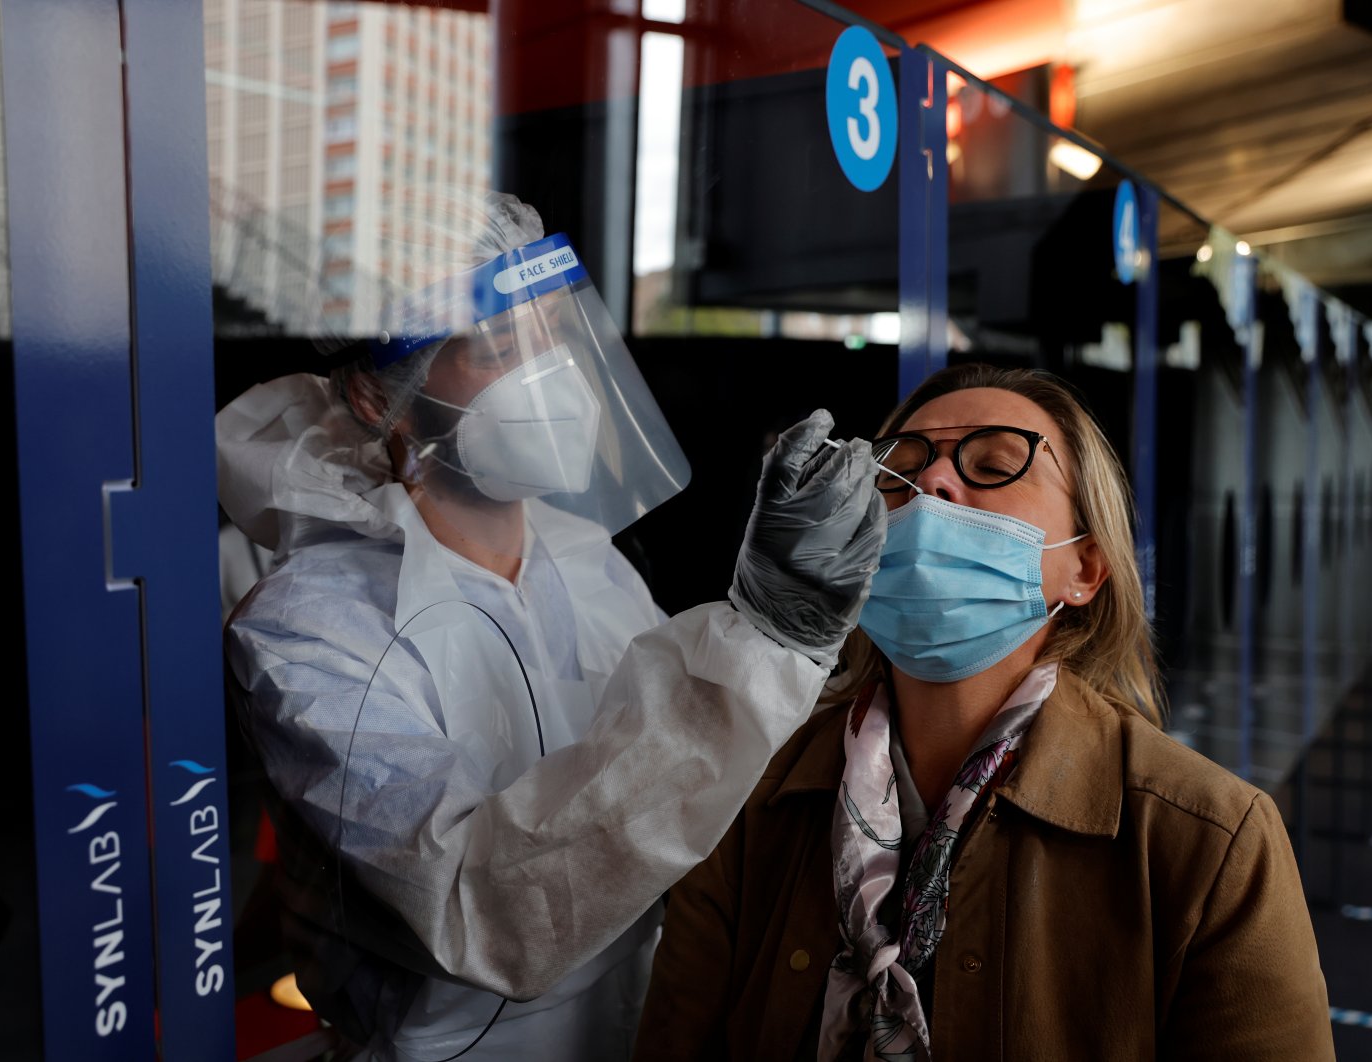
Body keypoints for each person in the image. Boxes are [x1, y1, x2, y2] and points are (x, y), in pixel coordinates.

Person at [217, 190, 887, 1061]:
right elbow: (478, 913)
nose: (548, 373)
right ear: (375, 394)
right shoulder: (310, 627)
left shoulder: (588, 562)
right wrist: (758, 645)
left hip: (646, 1027)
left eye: (550, 333)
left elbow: (706, 811)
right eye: (498, 344)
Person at [633, 363, 1333, 1062]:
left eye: (994, 465)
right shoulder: (750, 794)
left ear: (1084, 568)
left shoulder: (1206, 840)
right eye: (897, 471)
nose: (930, 485)